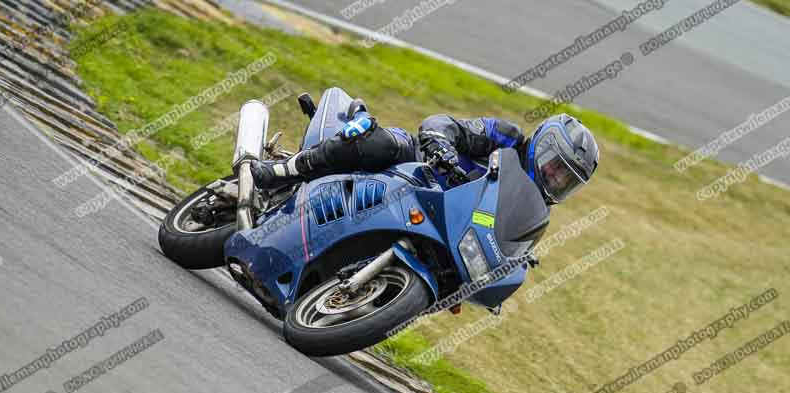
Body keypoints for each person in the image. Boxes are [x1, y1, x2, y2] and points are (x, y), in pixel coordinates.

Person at [249, 99, 599, 206]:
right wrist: (442, 147)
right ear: (544, 147)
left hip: (430, 214)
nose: (555, 178)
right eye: (557, 168)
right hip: (414, 162)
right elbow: (444, 124)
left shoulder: (530, 207)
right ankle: (283, 171)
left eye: (566, 180)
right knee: (379, 142)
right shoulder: (506, 138)